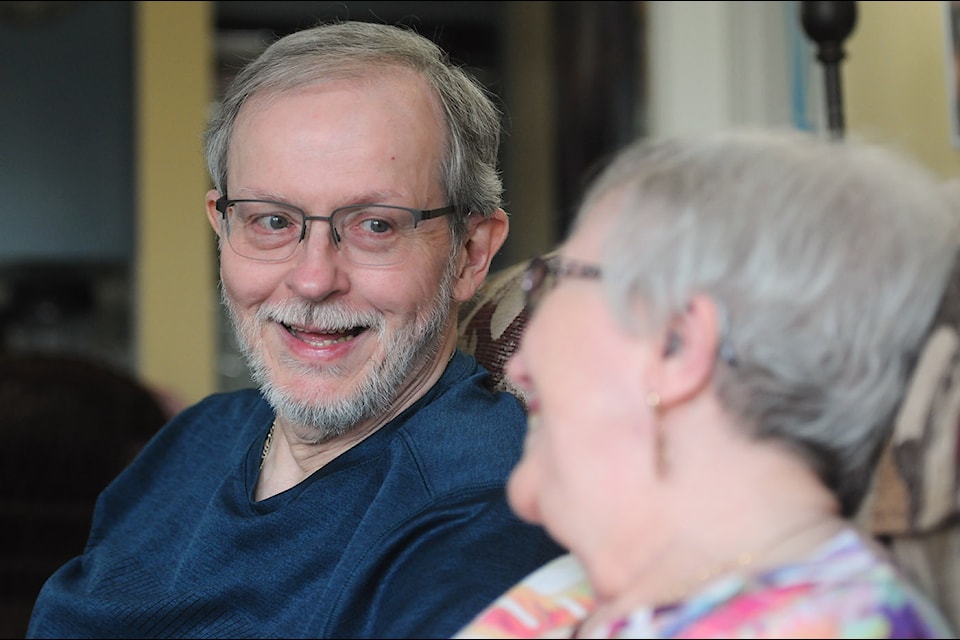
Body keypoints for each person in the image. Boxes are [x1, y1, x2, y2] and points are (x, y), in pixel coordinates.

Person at [26, 20, 564, 639]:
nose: (312, 280)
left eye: (375, 226)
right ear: (221, 228)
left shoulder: (484, 516)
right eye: (273, 221)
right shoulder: (194, 441)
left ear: (470, 251)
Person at [455, 129, 959, 638]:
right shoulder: (583, 589)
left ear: (677, 345)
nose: (516, 365)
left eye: (553, 285)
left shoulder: (830, 626)